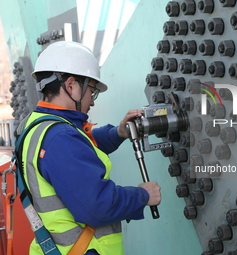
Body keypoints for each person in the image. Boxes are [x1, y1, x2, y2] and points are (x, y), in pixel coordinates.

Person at [18, 41, 161, 254]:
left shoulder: (37, 124)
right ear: (72, 85)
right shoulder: (60, 138)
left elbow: (81, 145)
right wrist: (142, 195)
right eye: (91, 91)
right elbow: (97, 205)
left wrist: (118, 132)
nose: (92, 102)